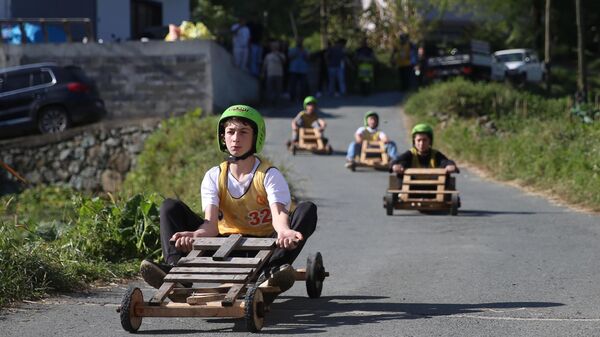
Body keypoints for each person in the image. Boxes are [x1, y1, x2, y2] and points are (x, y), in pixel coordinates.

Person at [140, 105, 318, 293]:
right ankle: (177, 273)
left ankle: (272, 272)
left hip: (264, 249)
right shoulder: (214, 175)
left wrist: (284, 231)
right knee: (170, 206)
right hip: (222, 247)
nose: (235, 138)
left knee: (307, 209)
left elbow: (279, 213)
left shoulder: (269, 175)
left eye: (243, 132)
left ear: (256, 137)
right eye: (230, 132)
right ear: (223, 137)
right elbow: (210, 225)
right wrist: (194, 235)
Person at [390, 123, 458, 179]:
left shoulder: (435, 154)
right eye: (419, 140)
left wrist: (450, 166)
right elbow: (397, 160)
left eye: (425, 140)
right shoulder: (411, 153)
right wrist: (395, 166)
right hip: (412, 187)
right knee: (402, 165)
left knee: (445, 172)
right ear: (414, 141)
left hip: (434, 188)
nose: (421, 144)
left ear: (430, 141)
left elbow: (445, 161)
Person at [262, 40, 286, 105]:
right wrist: (263, 73)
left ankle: (278, 103)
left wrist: (278, 54)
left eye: (276, 46)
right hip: (270, 74)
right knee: (269, 89)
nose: (274, 47)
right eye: (273, 46)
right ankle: (269, 102)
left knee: (278, 89)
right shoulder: (268, 55)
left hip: (279, 74)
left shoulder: (281, 54)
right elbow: (265, 65)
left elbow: (284, 62)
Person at [287, 37, 310, 102]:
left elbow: (308, 58)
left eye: (300, 42)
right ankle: (292, 98)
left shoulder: (305, 50)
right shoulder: (292, 49)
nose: (299, 43)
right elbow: (290, 57)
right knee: (293, 85)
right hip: (294, 69)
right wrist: (297, 51)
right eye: (298, 42)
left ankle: (302, 97)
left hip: (303, 70)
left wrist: (303, 52)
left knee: (303, 85)